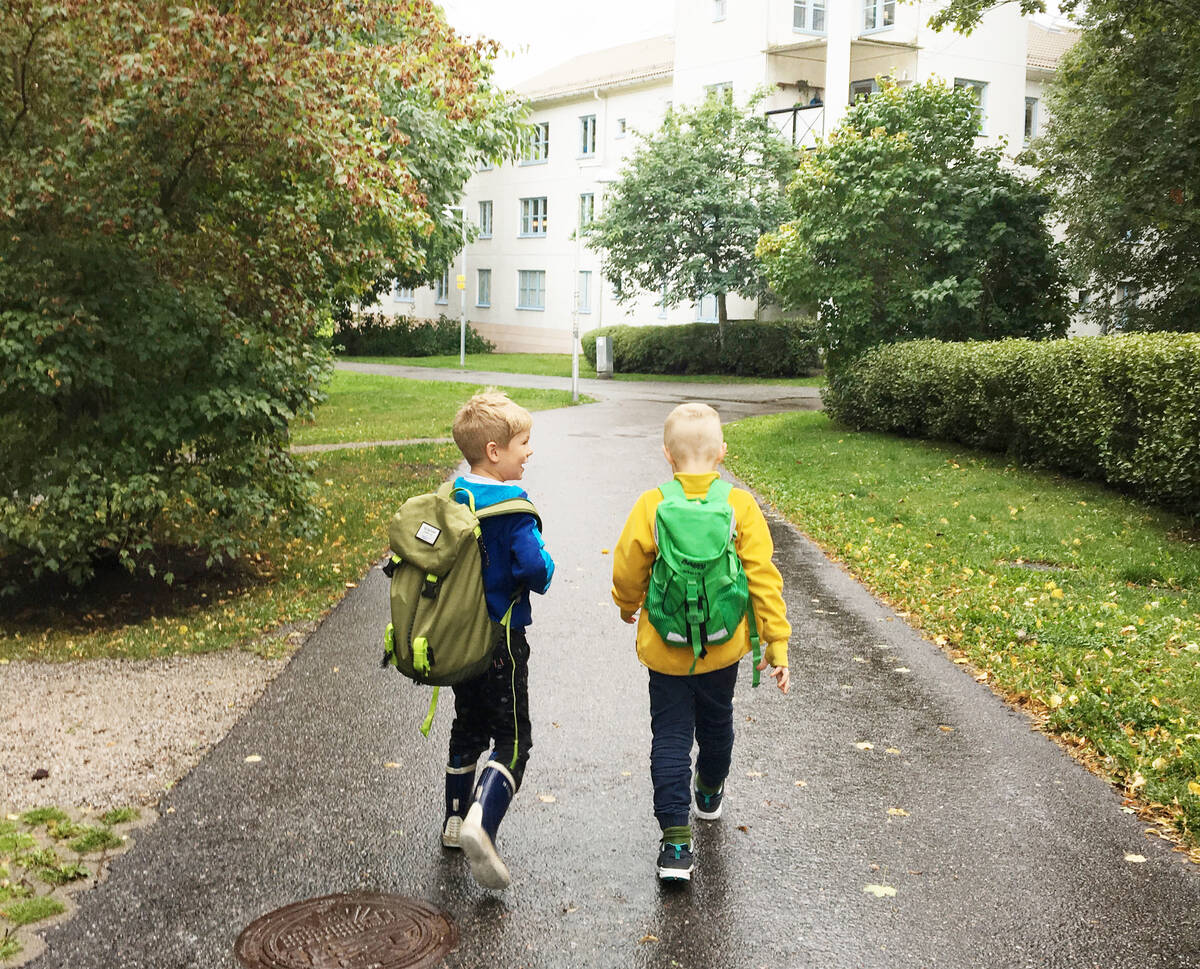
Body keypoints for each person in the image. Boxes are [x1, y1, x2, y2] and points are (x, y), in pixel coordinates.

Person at [611, 401, 790, 883]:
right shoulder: (739, 505)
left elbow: (628, 567)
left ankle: (675, 846)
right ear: (722, 453)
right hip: (721, 648)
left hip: (665, 650)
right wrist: (776, 643)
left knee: (669, 738)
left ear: (667, 455)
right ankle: (709, 788)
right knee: (717, 722)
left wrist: (627, 605)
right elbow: (762, 578)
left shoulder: (652, 504)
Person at [442, 390, 554, 890]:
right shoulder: (511, 507)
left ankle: (452, 819)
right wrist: (548, 569)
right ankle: (481, 824)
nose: (529, 452)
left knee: (468, 725)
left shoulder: (450, 496)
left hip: (458, 641)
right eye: (523, 443)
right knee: (513, 740)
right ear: (494, 451)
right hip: (501, 641)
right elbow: (533, 567)